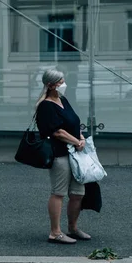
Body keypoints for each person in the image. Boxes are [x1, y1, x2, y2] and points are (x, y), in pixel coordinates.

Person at [35, 68, 91, 244]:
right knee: (58, 192)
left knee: (77, 193)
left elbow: (73, 122)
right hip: (59, 154)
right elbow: (57, 132)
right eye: (60, 82)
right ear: (50, 85)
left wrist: (80, 137)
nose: (63, 84)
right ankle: (55, 232)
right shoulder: (45, 106)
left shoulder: (63, 100)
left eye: (63, 81)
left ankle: (73, 228)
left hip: (75, 153)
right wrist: (77, 141)